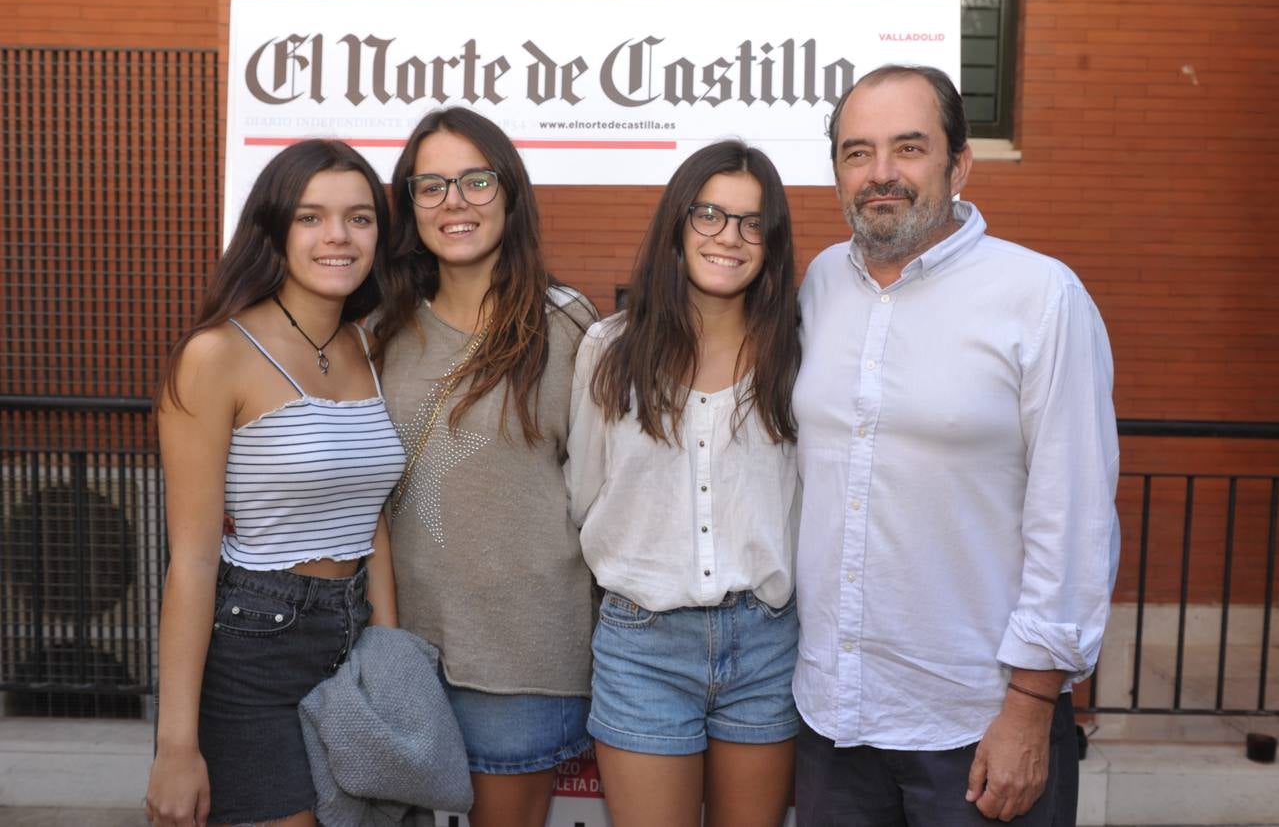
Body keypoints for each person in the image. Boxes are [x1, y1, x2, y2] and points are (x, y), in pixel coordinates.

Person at [791, 64, 1120, 825]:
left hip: (975, 725)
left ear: (959, 164)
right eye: (856, 151)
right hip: (832, 718)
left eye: (909, 148)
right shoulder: (818, 286)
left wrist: (1032, 707)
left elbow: (1074, 518)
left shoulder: (1041, 297)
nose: (881, 174)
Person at [144, 139, 405, 827]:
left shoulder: (367, 346)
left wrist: (391, 649)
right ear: (274, 229)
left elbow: (369, 509)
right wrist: (176, 745)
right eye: (311, 217)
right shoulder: (216, 355)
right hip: (255, 640)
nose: (338, 237)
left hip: (353, 638)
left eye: (360, 218)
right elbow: (193, 562)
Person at [372, 107, 596, 827]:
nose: (455, 202)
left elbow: (601, 493)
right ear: (408, 205)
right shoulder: (378, 331)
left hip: (522, 656)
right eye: (430, 186)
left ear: (509, 192)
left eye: (475, 180)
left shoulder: (566, 326)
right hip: (400, 650)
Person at [567, 140, 801, 827]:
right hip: (643, 644)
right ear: (677, 223)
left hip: (766, 645)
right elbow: (586, 494)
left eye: (751, 222)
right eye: (709, 215)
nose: (729, 237)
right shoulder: (609, 350)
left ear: (771, 242)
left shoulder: (798, 354)